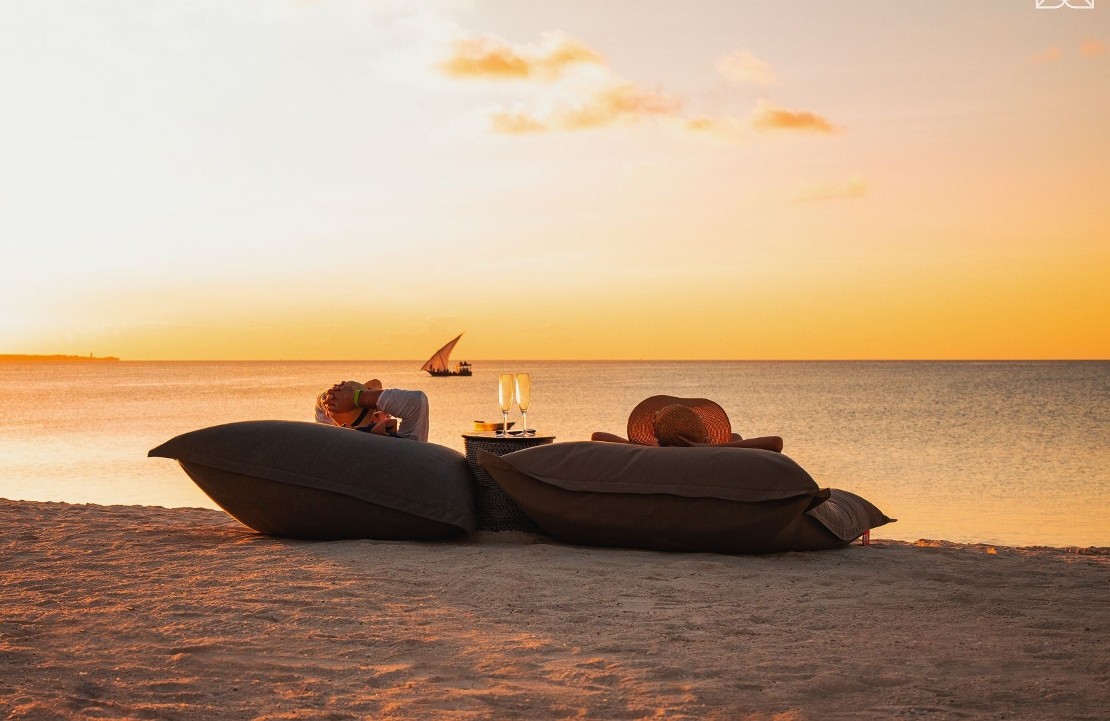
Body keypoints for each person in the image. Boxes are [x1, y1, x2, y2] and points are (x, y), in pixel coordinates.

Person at [315, 379, 430, 442]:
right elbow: (418, 402)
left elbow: (320, 408)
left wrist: (331, 397)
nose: (389, 413)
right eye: (381, 409)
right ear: (373, 419)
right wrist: (357, 398)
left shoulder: (333, 444)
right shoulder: (396, 447)